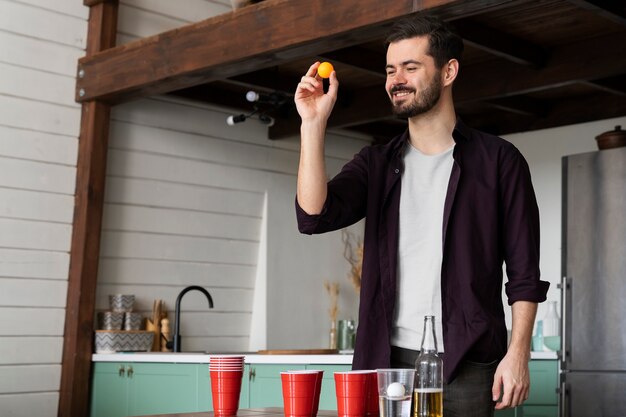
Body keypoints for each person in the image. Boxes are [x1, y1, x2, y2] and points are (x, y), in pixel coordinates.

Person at [293, 14, 550, 417]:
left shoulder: (499, 162)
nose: (397, 79)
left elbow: (524, 275)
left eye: (411, 68)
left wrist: (519, 354)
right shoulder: (376, 164)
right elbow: (313, 215)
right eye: (391, 70)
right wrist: (313, 123)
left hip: (468, 363)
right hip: (385, 361)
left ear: (448, 71)